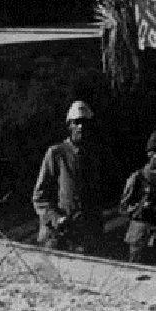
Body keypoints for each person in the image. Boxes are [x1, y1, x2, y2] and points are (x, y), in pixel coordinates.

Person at [32, 100, 104, 253]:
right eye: (76, 122)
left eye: (84, 122)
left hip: (85, 238)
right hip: (57, 237)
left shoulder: (94, 156)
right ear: (69, 125)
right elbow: (39, 198)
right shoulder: (56, 153)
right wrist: (56, 218)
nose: (81, 127)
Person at [119, 131, 156, 265]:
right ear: (149, 154)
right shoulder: (137, 177)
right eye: (155, 151)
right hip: (139, 233)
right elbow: (123, 208)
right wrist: (140, 207)